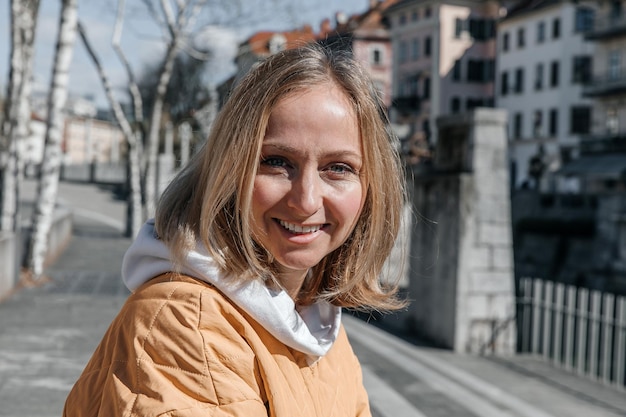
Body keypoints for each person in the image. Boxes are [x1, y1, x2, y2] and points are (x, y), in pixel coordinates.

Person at [63, 43, 407, 417]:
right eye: (276, 162)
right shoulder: (185, 323)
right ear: (230, 170)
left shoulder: (318, 323)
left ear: (371, 186)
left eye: (338, 167)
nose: (306, 200)